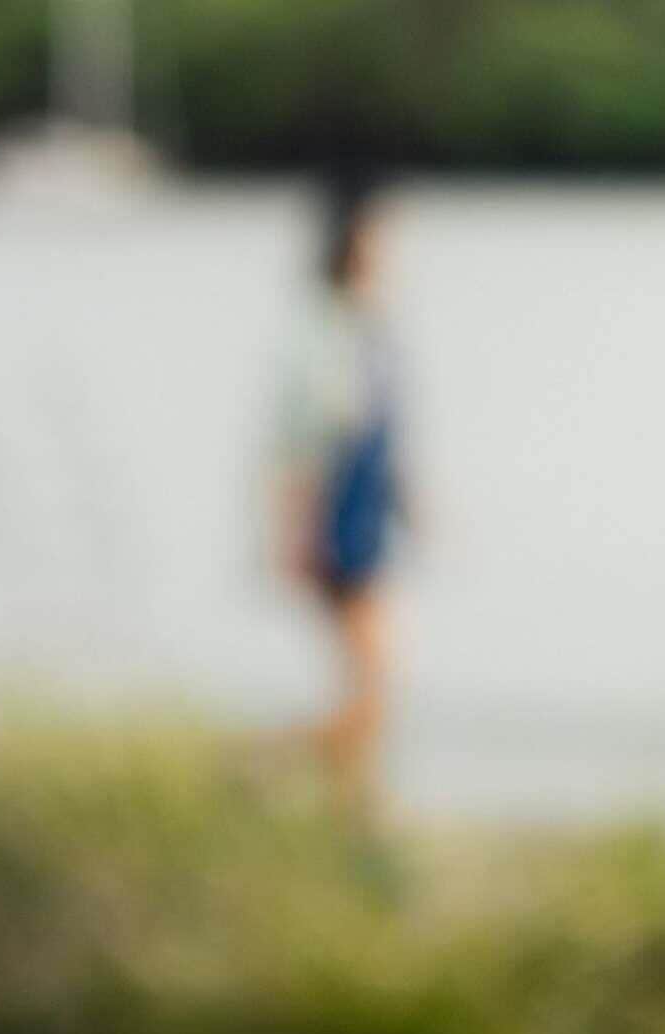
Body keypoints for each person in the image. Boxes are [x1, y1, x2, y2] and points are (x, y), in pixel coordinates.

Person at [275, 171, 409, 814]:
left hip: (366, 519)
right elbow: (304, 443)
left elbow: (383, 428)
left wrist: (410, 499)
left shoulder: (366, 325)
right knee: (375, 686)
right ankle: (259, 762)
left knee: (372, 684)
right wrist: (297, 535)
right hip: (340, 523)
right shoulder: (324, 333)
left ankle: (355, 808)